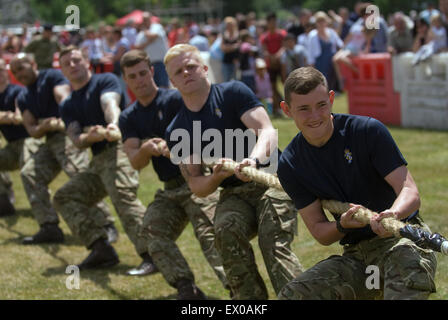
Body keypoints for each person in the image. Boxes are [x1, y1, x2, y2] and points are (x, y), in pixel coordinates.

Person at [277, 67, 437, 300]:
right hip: (361, 263)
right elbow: (320, 232)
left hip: (403, 240)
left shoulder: (367, 131)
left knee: (404, 282)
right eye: (303, 109)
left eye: (321, 105)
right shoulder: (291, 164)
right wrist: (342, 225)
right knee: (293, 295)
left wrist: (393, 213)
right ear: (286, 110)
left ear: (331, 98)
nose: (315, 116)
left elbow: (409, 191)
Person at [164, 44, 303, 300]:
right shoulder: (177, 128)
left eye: (191, 66)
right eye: (179, 71)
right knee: (225, 231)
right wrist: (216, 176)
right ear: (171, 81)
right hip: (234, 193)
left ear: (205, 69)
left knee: (272, 240)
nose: (186, 73)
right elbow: (196, 184)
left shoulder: (232, 92)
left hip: (273, 179)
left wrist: (253, 160)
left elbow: (267, 131)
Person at [119, 49, 228, 298]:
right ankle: (185, 288)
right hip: (170, 188)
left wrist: (179, 149)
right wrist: (147, 148)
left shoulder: (177, 99)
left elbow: (207, 133)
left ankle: (237, 292)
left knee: (212, 236)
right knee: (151, 231)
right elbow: (135, 162)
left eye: (143, 73)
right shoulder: (128, 117)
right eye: (132, 76)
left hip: (197, 179)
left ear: (152, 71)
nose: (139, 80)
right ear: (126, 80)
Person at [54, 46, 156, 273]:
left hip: (118, 149)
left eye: (76, 60)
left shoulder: (104, 81)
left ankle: (155, 254)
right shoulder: (68, 104)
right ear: (62, 70)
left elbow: (110, 103)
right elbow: (76, 138)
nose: (73, 65)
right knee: (65, 197)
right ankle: (101, 249)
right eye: (67, 63)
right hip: (98, 160)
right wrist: (87, 137)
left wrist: (113, 123)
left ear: (86, 60)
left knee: (122, 195)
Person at [10, 53, 118, 245]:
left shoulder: (51, 77)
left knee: (77, 173)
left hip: (67, 134)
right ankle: (49, 226)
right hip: (49, 139)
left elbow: (63, 96)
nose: (19, 73)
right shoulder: (23, 96)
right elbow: (32, 130)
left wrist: (64, 116)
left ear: (33, 63)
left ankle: (105, 224)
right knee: (29, 174)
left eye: (21, 67)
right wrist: (44, 127)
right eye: (15, 71)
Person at [0, 58, 41, 217]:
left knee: (29, 172)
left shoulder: (18, 92)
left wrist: (8, 117)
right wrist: (6, 117)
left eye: (2, 70)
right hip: (11, 147)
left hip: (29, 141)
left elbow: (19, 117)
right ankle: (3, 197)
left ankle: (42, 207)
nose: (0, 74)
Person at [260, 12, 287, 117]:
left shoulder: (282, 34)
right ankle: (277, 108)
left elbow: (284, 46)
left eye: (274, 21)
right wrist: (271, 57)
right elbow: (264, 50)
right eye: (271, 22)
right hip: (270, 65)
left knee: (286, 84)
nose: (273, 24)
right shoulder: (264, 37)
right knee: (272, 87)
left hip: (282, 64)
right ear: (267, 23)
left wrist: (277, 55)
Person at [135, 12, 170, 88]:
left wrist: (145, 34)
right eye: (144, 19)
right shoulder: (141, 33)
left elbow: (152, 36)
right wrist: (149, 42)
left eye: (146, 19)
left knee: (164, 87)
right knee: (153, 88)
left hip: (161, 62)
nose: (145, 21)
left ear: (150, 19)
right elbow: (137, 47)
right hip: (149, 64)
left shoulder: (156, 26)